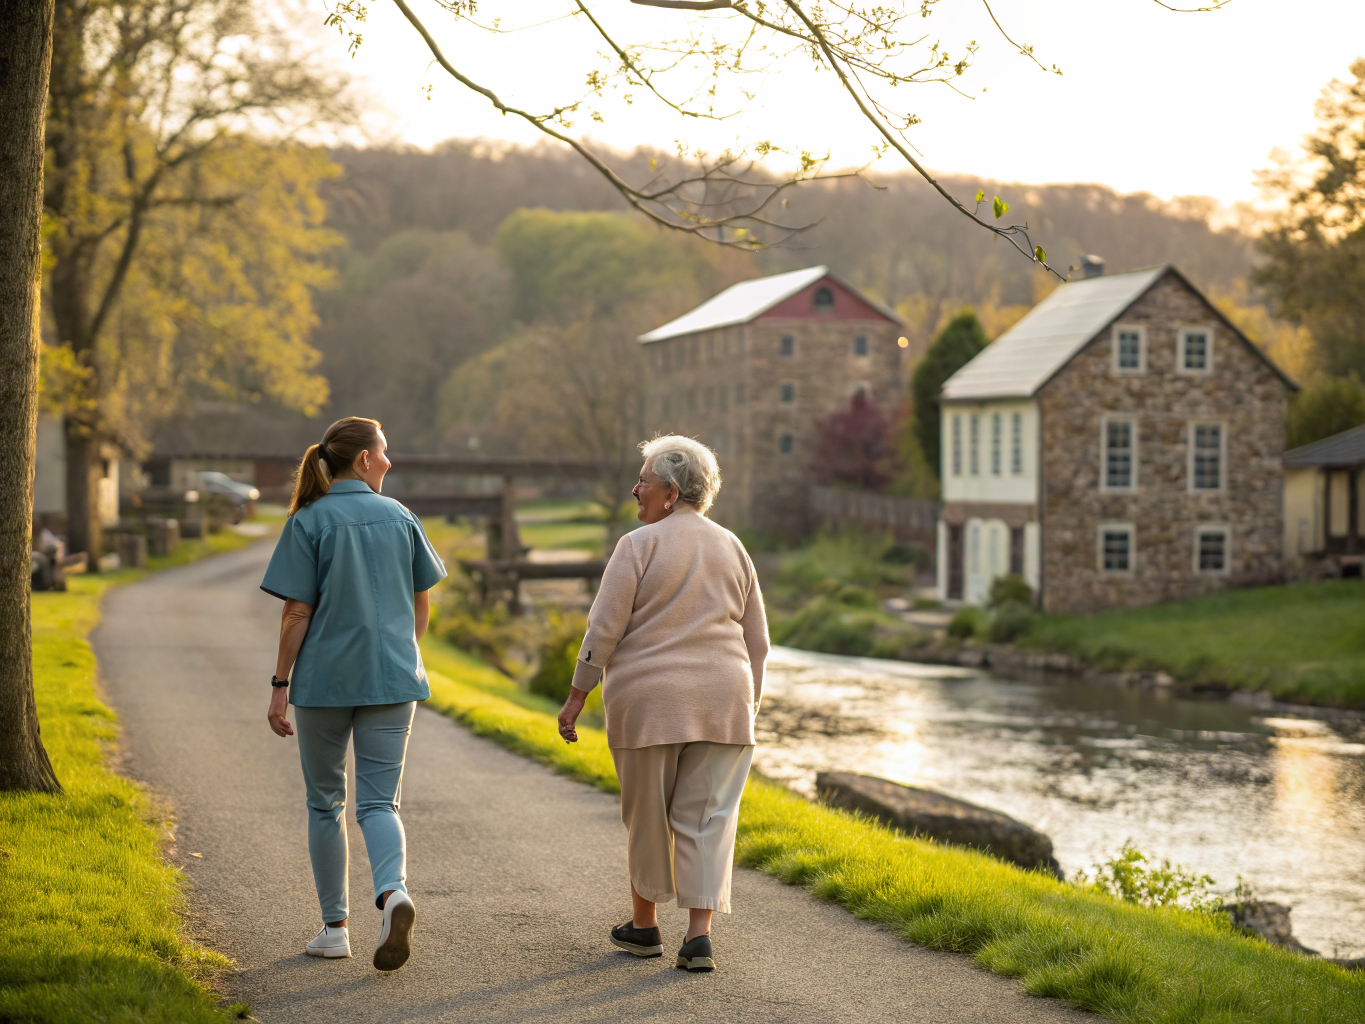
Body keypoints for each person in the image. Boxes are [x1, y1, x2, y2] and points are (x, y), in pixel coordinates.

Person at [557, 435, 769, 973]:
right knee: (707, 819)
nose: (636, 489)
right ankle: (699, 937)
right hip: (725, 701)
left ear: (671, 493)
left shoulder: (637, 546)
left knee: (647, 815)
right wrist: (750, 704)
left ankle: (645, 926)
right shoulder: (733, 546)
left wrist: (577, 696)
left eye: (644, 482)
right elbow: (757, 642)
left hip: (649, 702)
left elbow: (602, 630)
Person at [260, 416, 446, 971]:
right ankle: (393, 894)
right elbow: (422, 603)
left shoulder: (308, 521)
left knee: (325, 803)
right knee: (379, 801)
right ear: (363, 460)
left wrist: (279, 685)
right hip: (393, 680)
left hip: (324, 684)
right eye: (384, 452)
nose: (389, 461)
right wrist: (400, 654)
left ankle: (335, 928)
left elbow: (297, 610)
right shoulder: (401, 517)